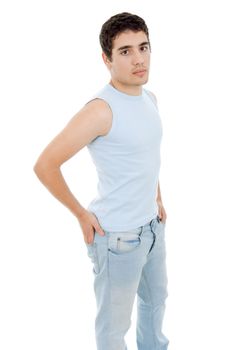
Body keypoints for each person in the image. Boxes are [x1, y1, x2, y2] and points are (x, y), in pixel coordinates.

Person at [34, 11, 169, 350]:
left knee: (155, 306)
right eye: (125, 51)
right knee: (113, 331)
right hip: (118, 239)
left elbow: (146, 156)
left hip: (152, 230)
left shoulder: (149, 99)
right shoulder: (100, 110)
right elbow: (45, 164)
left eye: (144, 47)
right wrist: (81, 214)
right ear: (107, 59)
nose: (139, 59)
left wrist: (158, 198)